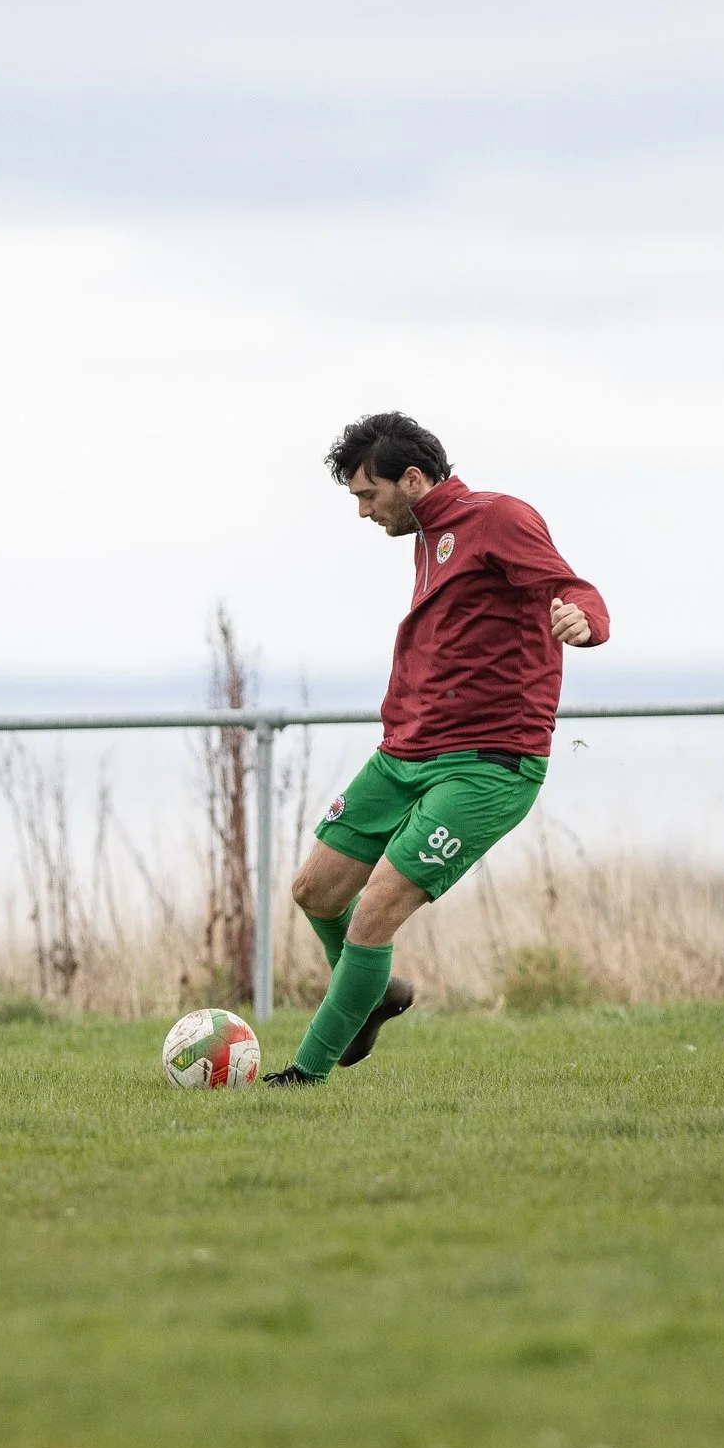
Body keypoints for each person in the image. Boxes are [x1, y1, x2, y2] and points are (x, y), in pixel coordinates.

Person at [266, 412, 610, 1085]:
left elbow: (573, 588)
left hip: (488, 764)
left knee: (373, 915)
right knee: (315, 892)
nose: (364, 513)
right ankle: (371, 994)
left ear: (414, 479)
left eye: (369, 496)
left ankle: (305, 1077)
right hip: (406, 754)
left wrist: (583, 621)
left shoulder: (500, 518)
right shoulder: (427, 534)